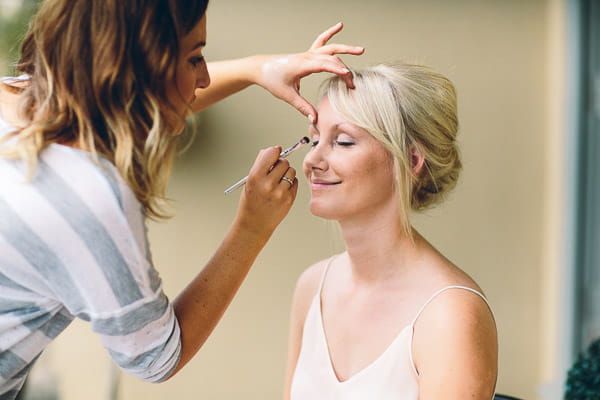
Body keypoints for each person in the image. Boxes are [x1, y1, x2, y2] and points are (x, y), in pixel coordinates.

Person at [0, 0, 364, 398]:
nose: (205, 78)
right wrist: (251, 228)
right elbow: (158, 358)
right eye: (195, 58)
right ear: (141, 68)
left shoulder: (15, 97)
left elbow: (143, 99)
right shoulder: (87, 200)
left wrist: (256, 69)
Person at [284, 62, 498, 400]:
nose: (312, 160)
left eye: (342, 141)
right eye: (314, 140)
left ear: (412, 161)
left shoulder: (451, 314)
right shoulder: (312, 286)